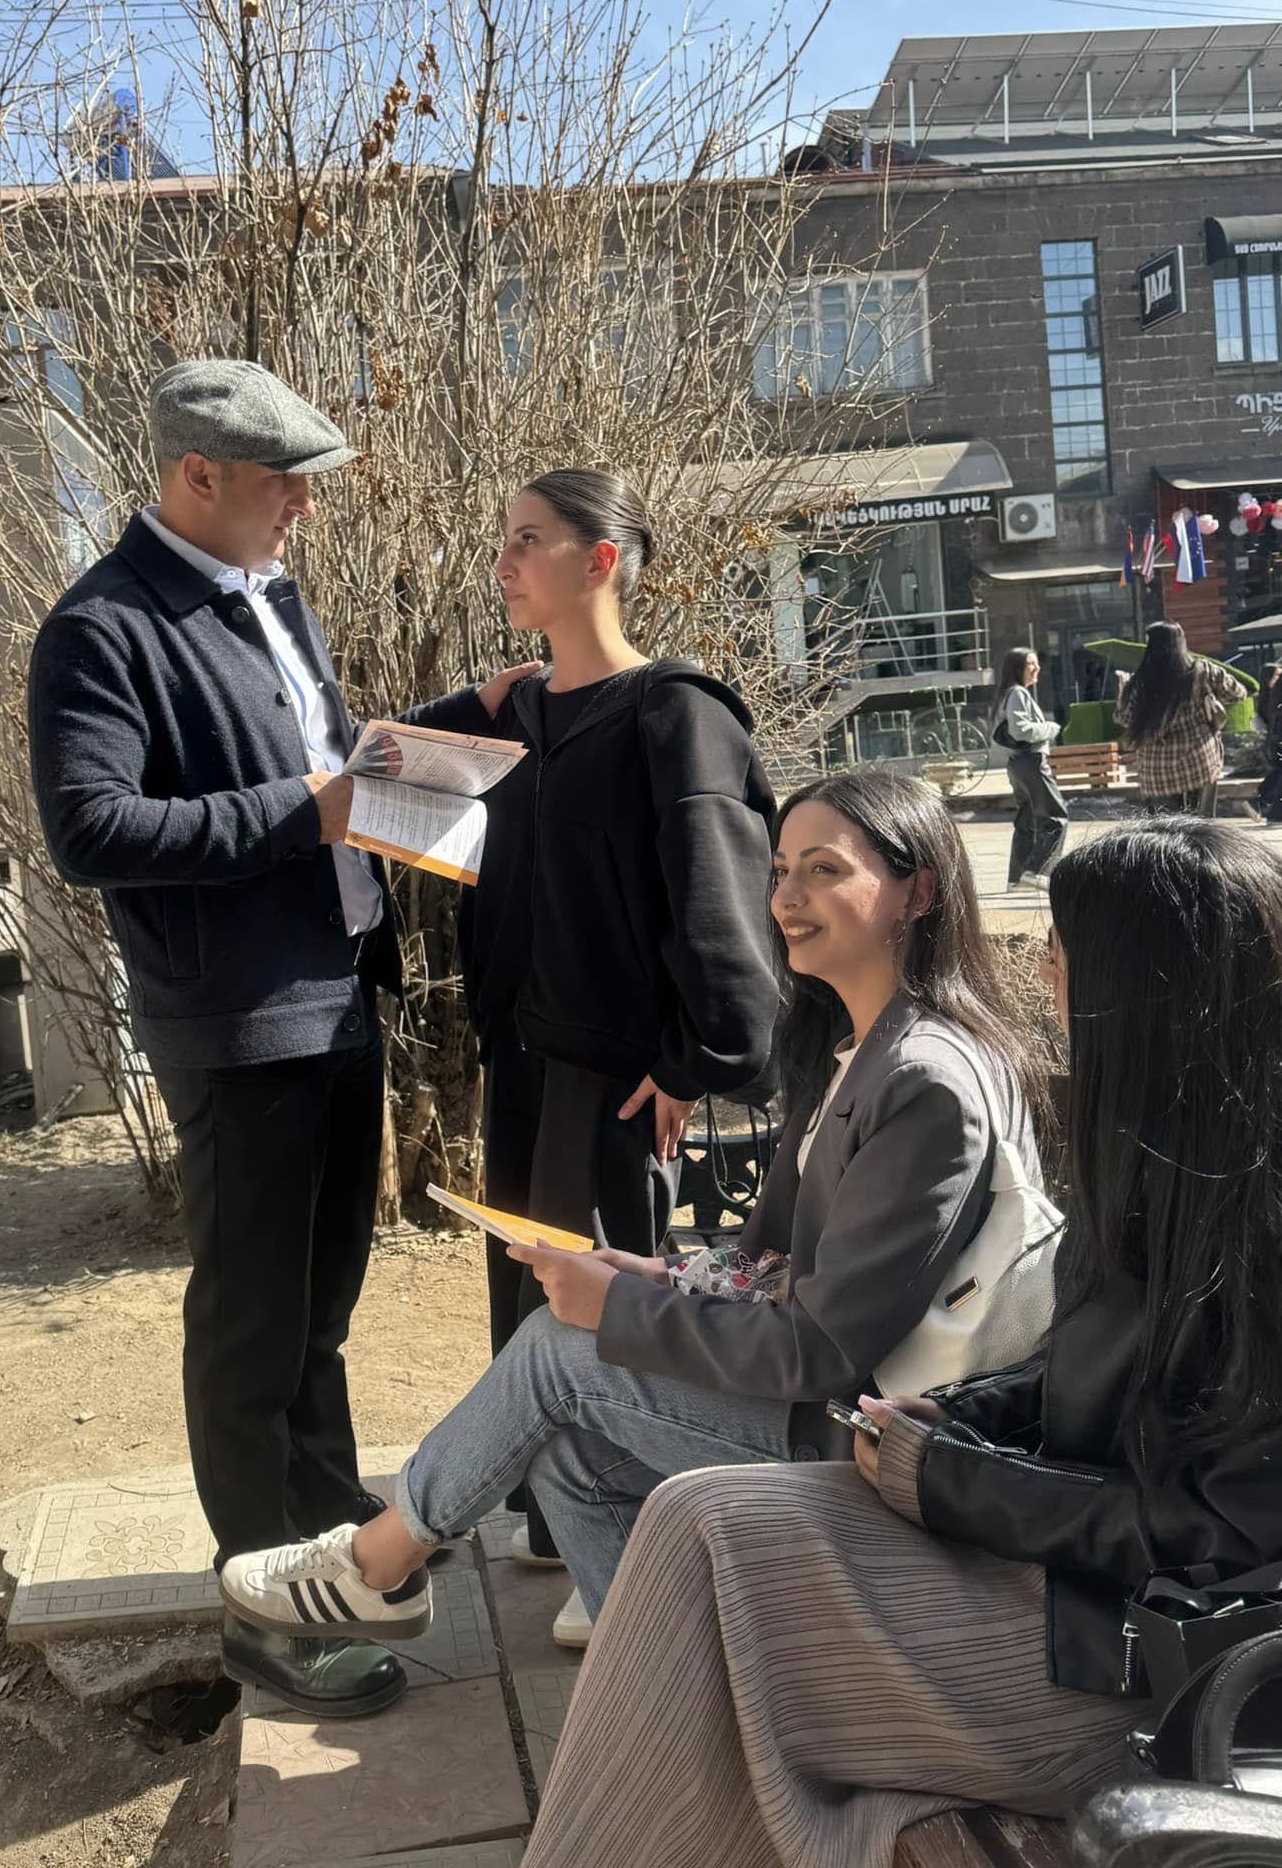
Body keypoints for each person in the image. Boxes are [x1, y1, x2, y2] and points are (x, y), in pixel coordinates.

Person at [517, 816, 1282, 1868]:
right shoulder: (1158, 1167)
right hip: (1066, 1580)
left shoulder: (1252, 1229)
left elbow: (1228, 1535)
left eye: (1062, 955)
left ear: (1148, 994)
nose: (1042, 976)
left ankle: (391, 1568)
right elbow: (1098, 1375)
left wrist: (959, 1481)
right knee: (699, 1521)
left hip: (1152, 1669)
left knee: (710, 1623)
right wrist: (961, 1417)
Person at [215, 768, 1047, 1656]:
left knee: (558, 1353)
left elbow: (819, 1350)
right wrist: (652, 1275)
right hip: (828, 1405)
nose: (786, 899)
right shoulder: (861, 1049)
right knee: (564, 1450)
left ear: (918, 891)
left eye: (824, 870)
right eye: (779, 871)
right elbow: (773, 1264)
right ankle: (664, 1683)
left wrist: (618, 1308)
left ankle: (374, 1567)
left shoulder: (925, 1082)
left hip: (875, 1441)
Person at [27, 358, 532, 1718]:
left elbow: (330, 766)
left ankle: (329, 1532)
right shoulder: (103, 628)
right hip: (237, 1024)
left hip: (334, 994)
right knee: (253, 1323)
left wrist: (451, 730)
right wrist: (305, 811)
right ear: (197, 475)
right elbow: (93, 830)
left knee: (321, 1304)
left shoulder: (267, 593)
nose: (304, 506)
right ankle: (266, 1605)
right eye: (283, 483)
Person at [408, 468, 782, 1583]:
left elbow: (720, 897)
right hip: (523, 1056)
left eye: (529, 539)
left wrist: (702, 1060)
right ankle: (550, 1523)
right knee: (529, 1289)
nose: (504, 563)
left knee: (601, 1304)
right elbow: (384, 765)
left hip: (618, 1074)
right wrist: (479, 701)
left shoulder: (676, 712)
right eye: (504, 539)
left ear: (601, 560)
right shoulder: (518, 714)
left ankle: (629, 1548)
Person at [1115, 619, 1245, 816]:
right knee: (1201, 829)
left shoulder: (1138, 681)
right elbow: (1238, 693)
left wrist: (1122, 690)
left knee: (1166, 832)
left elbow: (1124, 718)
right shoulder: (1203, 671)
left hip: (1156, 772)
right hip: (1199, 763)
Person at [991, 646, 1066, 893]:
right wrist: (1051, 728)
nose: (1037, 668)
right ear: (1017, 668)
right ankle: (1038, 871)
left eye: (1036, 663)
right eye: (1030, 664)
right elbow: (1020, 730)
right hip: (1031, 762)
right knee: (1056, 817)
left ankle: (1017, 879)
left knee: (1027, 820)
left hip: (1017, 764)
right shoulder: (1018, 693)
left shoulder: (1007, 694)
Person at [1256, 662, 1282, 823]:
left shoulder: (1274, 692)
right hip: (1277, 737)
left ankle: (1264, 799)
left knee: (1278, 772)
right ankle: (1274, 812)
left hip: (1275, 737)